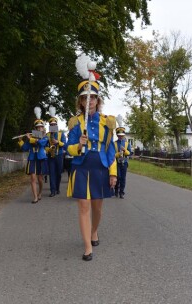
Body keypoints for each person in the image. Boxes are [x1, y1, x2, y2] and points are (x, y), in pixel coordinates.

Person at [66, 79, 117, 262]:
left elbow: (111, 149)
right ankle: (87, 246)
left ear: (97, 100)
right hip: (81, 167)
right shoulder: (75, 123)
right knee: (83, 206)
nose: (89, 101)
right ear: (80, 102)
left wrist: (113, 172)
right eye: (85, 98)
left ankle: (94, 231)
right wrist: (78, 146)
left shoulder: (107, 122)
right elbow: (68, 148)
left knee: (97, 207)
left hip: (100, 168)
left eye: (92, 97)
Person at [18, 118, 49, 204]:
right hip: (32, 159)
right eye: (37, 127)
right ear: (35, 129)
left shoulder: (45, 137)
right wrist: (21, 140)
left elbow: (41, 143)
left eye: (41, 127)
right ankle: (35, 197)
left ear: (43, 128)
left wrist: (31, 139)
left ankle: (40, 193)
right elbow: (25, 148)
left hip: (41, 158)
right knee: (32, 178)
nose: (39, 129)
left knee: (40, 179)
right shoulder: (31, 136)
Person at [45, 117, 66, 197]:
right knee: (52, 173)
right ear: (49, 126)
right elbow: (45, 146)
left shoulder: (61, 133)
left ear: (56, 125)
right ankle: (52, 190)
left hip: (59, 155)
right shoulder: (47, 135)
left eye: (54, 124)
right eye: (51, 124)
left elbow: (64, 144)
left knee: (58, 173)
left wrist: (57, 142)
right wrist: (49, 149)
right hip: (51, 156)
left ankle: (57, 188)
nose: (53, 125)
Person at [114, 127, 132, 199]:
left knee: (123, 178)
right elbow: (112, 154)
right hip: (117, 162)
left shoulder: (127, 144)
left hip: (124, 162)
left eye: (122, 135)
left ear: (124, 135)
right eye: (119, 135)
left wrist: (125, 150)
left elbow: (130, 153)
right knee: (118, 177)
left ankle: (121, 192)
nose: (121, 136)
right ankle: (116, 189)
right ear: (117, 135)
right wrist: (118, 154)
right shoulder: (114, 143)